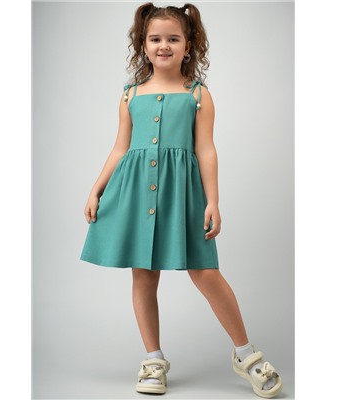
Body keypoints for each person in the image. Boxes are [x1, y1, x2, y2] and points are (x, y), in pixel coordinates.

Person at [80, 2, 283, 398]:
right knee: (143, 274)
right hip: (135, 191)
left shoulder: (198, 95)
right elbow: (120, 148)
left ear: (188, 46)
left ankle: (245, 354)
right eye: (155, 39)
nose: (164, 46)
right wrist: (96, 188)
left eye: (173, 39)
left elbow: (206, 149)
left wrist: (213, 201)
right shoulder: (130, 95)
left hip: (182, 194)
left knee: (205, 272)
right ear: (143, 45)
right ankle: (153, 359)